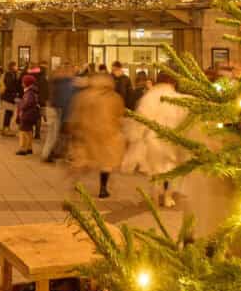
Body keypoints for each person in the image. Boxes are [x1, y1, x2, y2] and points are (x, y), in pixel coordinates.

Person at [122, 73, 189, 208]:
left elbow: (141, 118)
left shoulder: (149, 97)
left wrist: (137, 137)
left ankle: (155, 198)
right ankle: (168, 197)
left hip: (152, 139)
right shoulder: (177, 98)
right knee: (171, 169)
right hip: (171, 138)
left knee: (155, 170)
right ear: (173, 82)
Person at [68, 72, 126, 199]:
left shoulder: (83, 96)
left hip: (87, 134)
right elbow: (120, 116)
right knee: (106, 163)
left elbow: (76, 114)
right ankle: (103, 189)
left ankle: (76, 183)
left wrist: (74, 130)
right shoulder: (114, 97)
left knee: (83, 160)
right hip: (107, 135)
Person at [41, 64, 75, 163]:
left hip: (53, 109)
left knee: (53, 134)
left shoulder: (55, 81)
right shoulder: (65, 83)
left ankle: (49, 154)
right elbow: (65, 101)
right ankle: (49, 154)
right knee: (54, 134)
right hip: (57, 111)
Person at [15, 75, 40, 156]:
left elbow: (27, 103)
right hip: (31, 114)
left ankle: (23, 149)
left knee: (23, 131)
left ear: (27, 83)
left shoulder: (29, 92)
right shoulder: (32, 91)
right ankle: (29, 148)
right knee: (29, 131)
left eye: (23, 82)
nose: (22, 83)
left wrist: (20, 104)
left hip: (27, 114)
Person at [0, 62, 20, 136]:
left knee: (10, 113)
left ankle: (6, 128)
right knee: (8, 113)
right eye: (15, 66)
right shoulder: (9, 74)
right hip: (8, 96)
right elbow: (9, 85)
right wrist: (15, 91)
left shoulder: (13, 74)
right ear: (12, 67)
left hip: (10, 96)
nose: (16, 67)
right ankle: (5, 129)